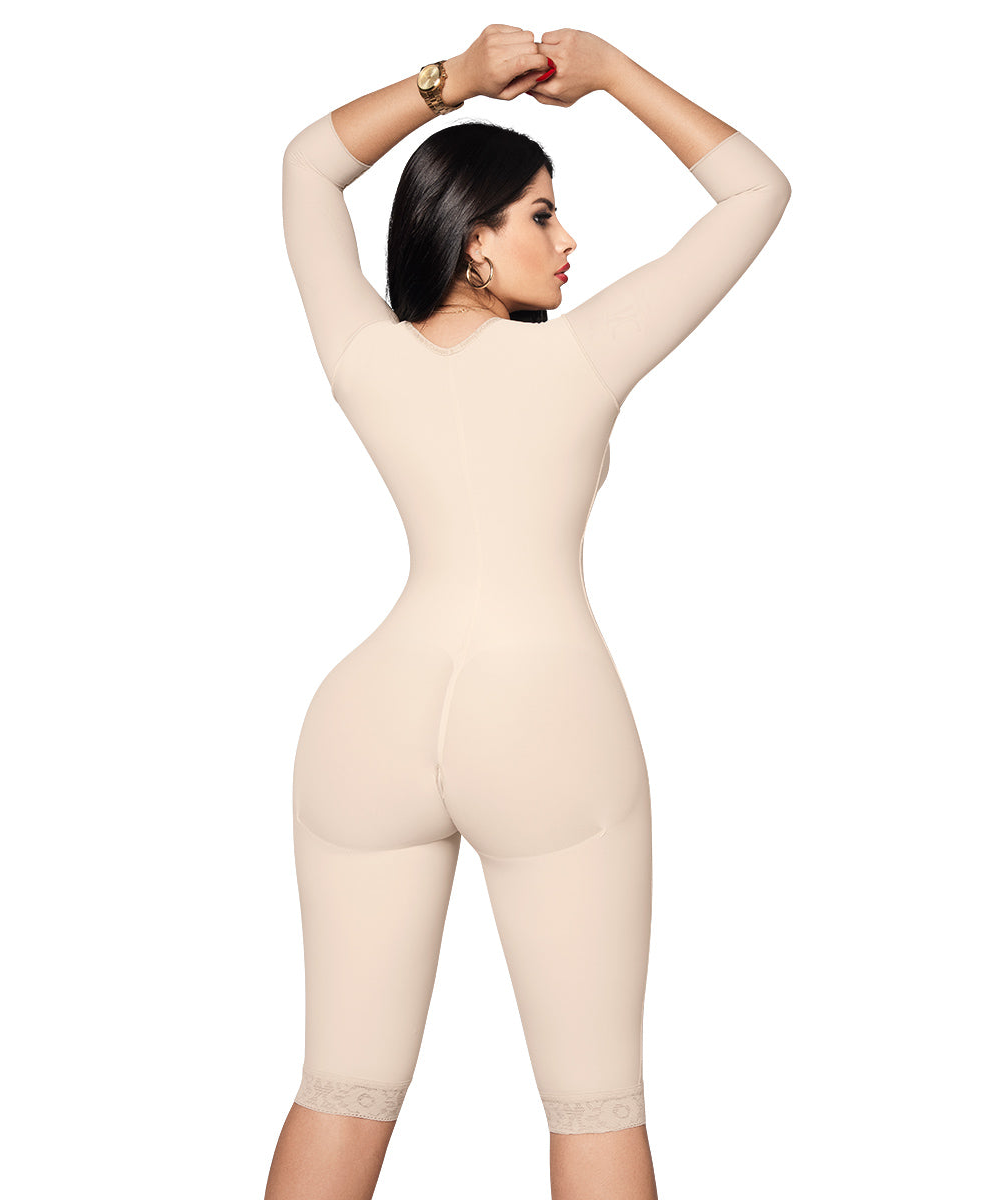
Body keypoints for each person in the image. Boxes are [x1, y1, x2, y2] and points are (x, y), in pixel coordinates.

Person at [265, 25, 791, 1200]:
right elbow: (756, 191)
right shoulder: (584, 358)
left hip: (367, 721)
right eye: (541, 215)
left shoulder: (365, 357)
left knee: (340, 1088)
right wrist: (608, 76)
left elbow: (306, 166)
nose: (567, 242)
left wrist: (449, 80)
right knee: (593, 1101)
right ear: (471, 241)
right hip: (545, 716)